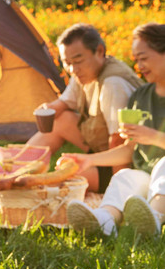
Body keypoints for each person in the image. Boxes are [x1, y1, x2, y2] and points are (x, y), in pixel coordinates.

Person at [66, 23, 165, 237]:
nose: (139, 66)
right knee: (125, 177)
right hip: (148, 176)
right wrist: (90, 160)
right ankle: (104, 221)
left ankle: (154, 221)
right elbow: (129, 150)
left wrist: (154, 137)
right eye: (136, 60)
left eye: (144, 58)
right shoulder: (141, 96)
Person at [26, 23, 142, 192]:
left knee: (66, 181)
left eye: (78, 61)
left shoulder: (113, 84)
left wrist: (119, 190)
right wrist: (49, 109)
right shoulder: (83, 72)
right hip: (98, 147)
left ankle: (33, 184)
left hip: (122, 162)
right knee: (60, 119)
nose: (73, 69)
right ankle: (18, 168)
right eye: (67, 63)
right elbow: (65, 103)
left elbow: (119, 141)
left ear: (100, 51)